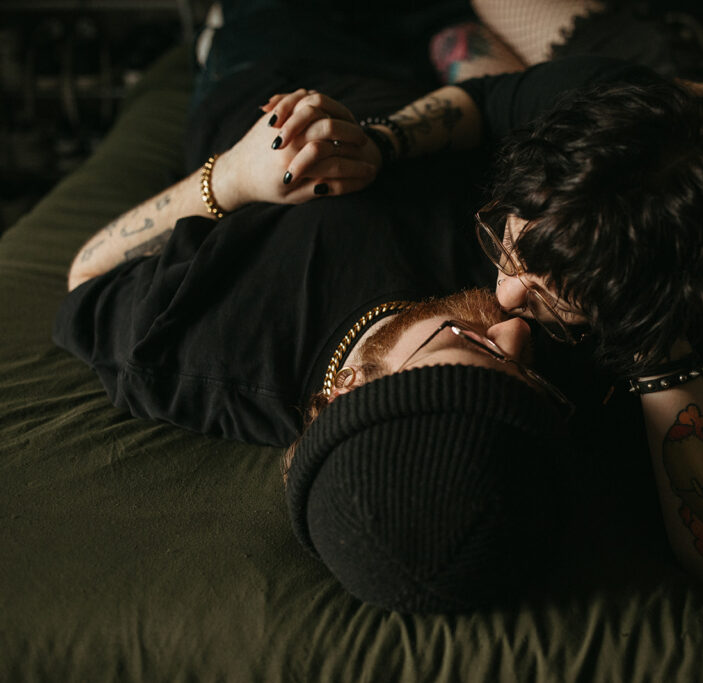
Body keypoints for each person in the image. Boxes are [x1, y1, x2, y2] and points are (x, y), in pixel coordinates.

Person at [263, 0, 703, 591]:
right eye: (510, 247)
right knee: (477, 25)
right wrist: (381, 142)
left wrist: (658, 348)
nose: (505, 298)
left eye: (555, 299)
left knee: (461, 39)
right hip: (628, 85)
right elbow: (484, 102)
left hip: (701, 153)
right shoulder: (577, 109)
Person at [52, 1, 573, 614]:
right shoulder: (523, 349)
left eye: (478, 345)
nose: (517, 333)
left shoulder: (208, 354)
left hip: (283, 54)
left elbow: (87, 274)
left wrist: (233, 178)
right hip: (451, 71)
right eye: (531, 376)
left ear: (351, 387)